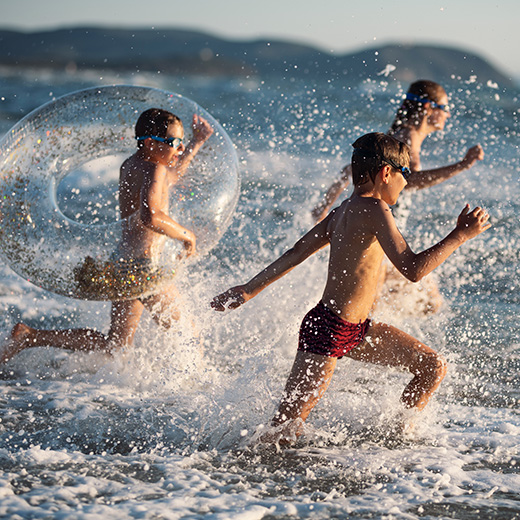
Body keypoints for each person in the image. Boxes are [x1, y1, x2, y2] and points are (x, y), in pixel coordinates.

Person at [212, 132, 491, 443]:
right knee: (284, 430)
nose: (406, 183)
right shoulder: (375, 210)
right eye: (405, 174)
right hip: (329, 330)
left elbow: (296, 252)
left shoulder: (343, 210)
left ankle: (398, 440)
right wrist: (460, 236)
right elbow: (413, 269)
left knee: (431, 366)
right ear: (387, 173)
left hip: (354, 330)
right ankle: (238, 476)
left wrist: (249, 289)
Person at [1, 108, 213, 364]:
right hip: (144, 268)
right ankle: (191, 394)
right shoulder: (154, 169)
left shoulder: (132, 164)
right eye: (174, 143)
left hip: (122, 265)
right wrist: (187, 235)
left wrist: (196, 142)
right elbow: (151, 216)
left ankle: (30, 336)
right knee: (189, 336)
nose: (179, 149)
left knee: (116, 345)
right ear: (149, 142)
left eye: (181, 143)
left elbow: (173, 175)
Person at [312, 80, 484, 314]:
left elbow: (352, 168)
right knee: (369, 311)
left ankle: (383, 335)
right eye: (444, 108)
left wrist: (325, 204)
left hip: (382, 231)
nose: (448, 114)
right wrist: (461, 165)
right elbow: (411, 180)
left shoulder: (404, 135)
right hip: (378, 232)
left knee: (427, 302)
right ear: (428, 109)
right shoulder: (408, 136)